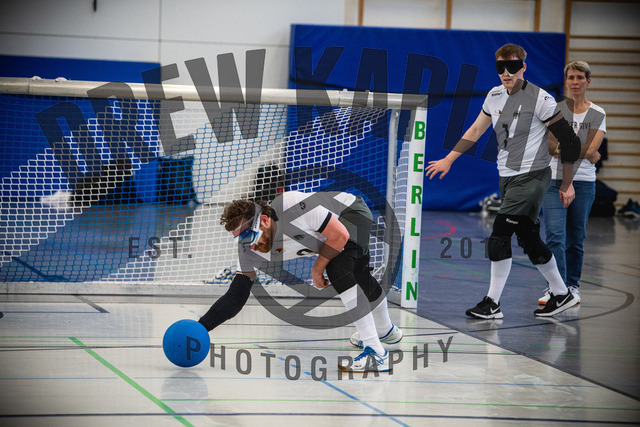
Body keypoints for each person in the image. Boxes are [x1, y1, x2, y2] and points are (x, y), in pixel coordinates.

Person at [425, 43, 582, 318]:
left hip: (532, 176)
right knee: (529, 238)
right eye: (501, 67)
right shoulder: (494, 95)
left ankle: (492, 303)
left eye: (513, 66)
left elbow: (570, 141)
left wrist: (567, 183)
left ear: (524, 67)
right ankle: (561, 294)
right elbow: (476, 129)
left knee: (499, 235)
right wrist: (449, 159)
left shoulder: (540, 99)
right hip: (507, 176)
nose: (507, 73)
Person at [197, 190, 403, 373]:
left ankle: (376, 353)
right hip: (333, 235)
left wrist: (317, 268)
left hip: (351, 212)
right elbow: (236, 296)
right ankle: (386, 331)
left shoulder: (292, 206)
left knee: (338, 269)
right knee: (359, 276)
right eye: (240, 239)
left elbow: (339, 235)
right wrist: (200, 329)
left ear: (265, 221)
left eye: (249, 236)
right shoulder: (250, 250)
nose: (248, 245)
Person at [539, 61, 606, 305]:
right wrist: (583, 150)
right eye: (571, 78)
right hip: (554, 180)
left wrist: (569, 147)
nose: (575, 82)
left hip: (584, 182)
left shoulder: (598, 113)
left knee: (575, 238)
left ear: (588, 81)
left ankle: (572, 286)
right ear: (566, 81)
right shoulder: (555, 110)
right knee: (555, 235)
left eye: (579, 77)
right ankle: (557, 288)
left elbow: (593, 147)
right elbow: (550, 147)